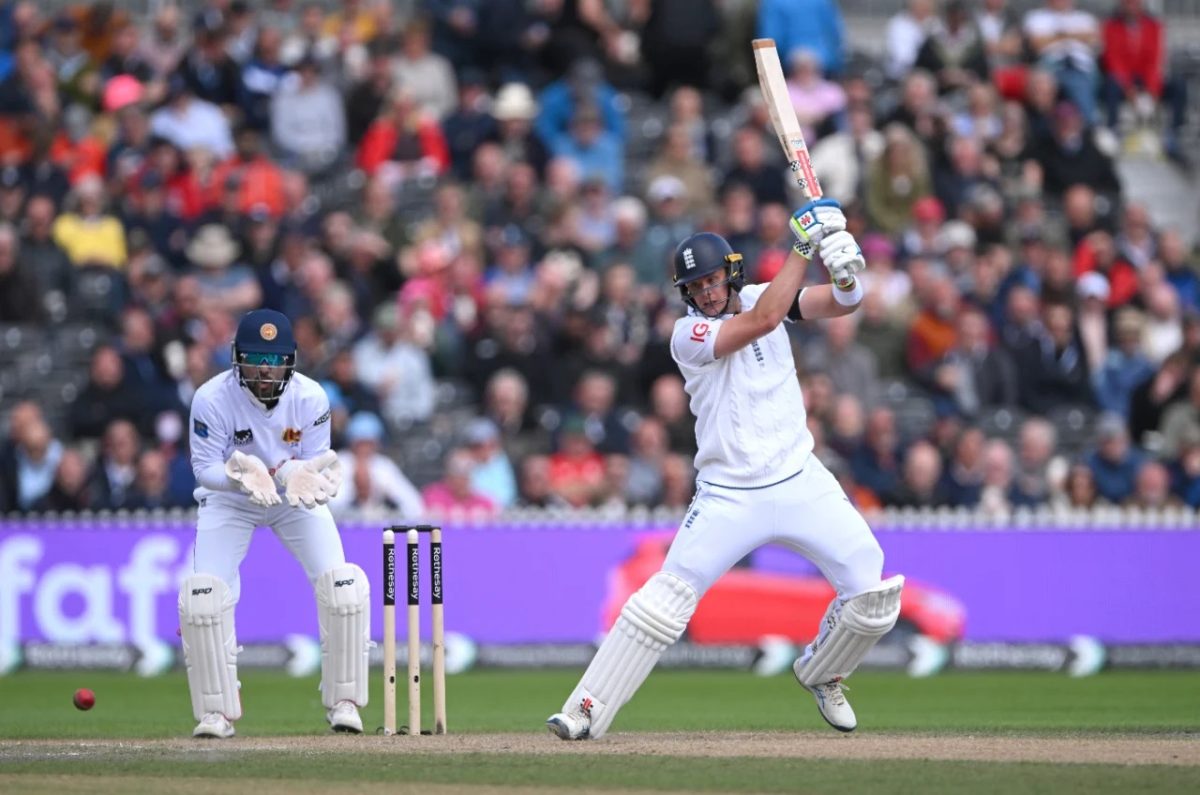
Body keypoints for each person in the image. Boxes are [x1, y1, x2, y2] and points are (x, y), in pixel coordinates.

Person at [546, 199, 903, 740]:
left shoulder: (768, 295)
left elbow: (842, 304)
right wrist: (804, 245)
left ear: (730, 274)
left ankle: (823, 672)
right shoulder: (686, 335)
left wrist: (847, 271)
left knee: (871, 593)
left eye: (713, 281)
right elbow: (760, 322)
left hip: (801, 478)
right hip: (729, 495)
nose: (707, 293)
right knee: (665, 599)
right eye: (696, 287)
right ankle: (584, 710)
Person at [183, 309, 368, 739]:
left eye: (275, 360)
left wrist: (295, 473)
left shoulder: (311, 397)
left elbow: (314, 460)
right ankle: (216, 711)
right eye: (254, 360)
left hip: (291, 497)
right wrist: (238, 474)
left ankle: (344, 701)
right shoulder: (211, 398)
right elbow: (202, 467)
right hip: (232, 499)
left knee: (343, 586)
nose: (265, 372)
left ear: (291, 360)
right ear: (236, 358)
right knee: (204, 596)